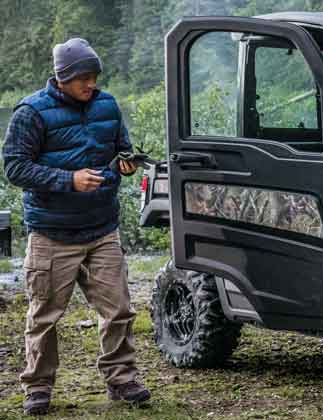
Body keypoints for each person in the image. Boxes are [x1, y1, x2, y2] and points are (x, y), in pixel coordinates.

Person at [2, 38, 151, 416]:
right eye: (83, 77)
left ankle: (122, 378)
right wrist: (68, 180)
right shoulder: (31, 113)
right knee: (45, 317)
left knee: (118, 310)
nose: (91, 84)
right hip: (52, 233)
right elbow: (15, 168)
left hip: (102, 228)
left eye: (94, 76)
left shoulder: (107, 104)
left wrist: (125, 165)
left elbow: (120, 149)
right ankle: (38, 386)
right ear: (62, 77)